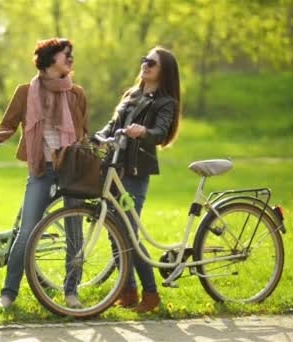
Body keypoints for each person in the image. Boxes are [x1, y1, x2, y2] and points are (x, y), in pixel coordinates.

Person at [0, 38, 89, 309]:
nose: (70, 57)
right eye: (64, 53)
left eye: (71, 53)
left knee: (75, 232)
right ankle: (8, 294)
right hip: (41, 171)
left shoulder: (76, 93)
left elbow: (84, 134)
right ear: (48, 59)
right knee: (26, 231)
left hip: (72, 172)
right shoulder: (25, 92)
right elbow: (6, 128)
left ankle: (71, 291)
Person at [94, 46, 181, 313]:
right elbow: (112, 125)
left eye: (151, 63)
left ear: (163, 71)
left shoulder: (166, 102)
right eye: (144, 60)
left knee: (129, 234)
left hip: (136, 173)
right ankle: (127, 290)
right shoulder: (130, 95)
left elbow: (160, 133)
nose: (145, 65)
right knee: (114, 232)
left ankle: (151, 293)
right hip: (115, 169)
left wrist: (144, 131)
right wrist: (97, 136)